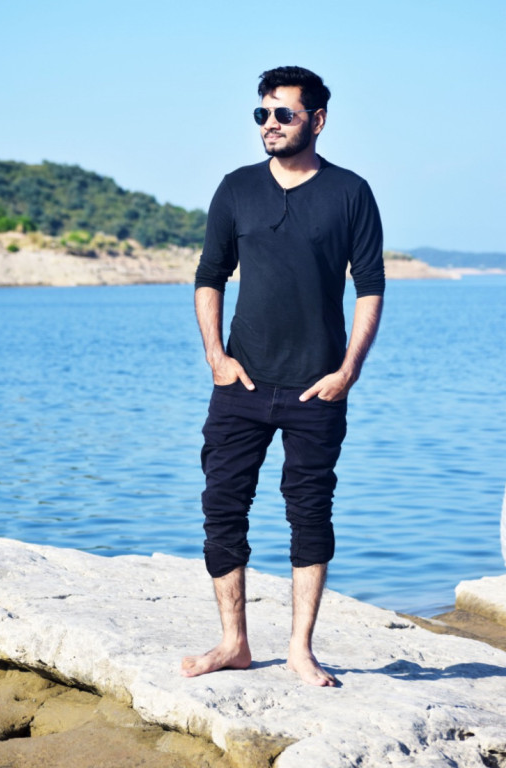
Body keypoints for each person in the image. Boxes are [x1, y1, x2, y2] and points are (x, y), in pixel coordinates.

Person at [181, 66, 385, 687]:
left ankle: (300, 649)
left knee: (310, 512)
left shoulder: (350, 192)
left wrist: (348, 370)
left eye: (283, 114)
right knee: (222, 506)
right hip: (240, 384)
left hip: (316, 387)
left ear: (316, 120)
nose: (269, 124)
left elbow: (370, 286)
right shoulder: (236, 188)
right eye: (262, 114)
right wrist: (216, 357)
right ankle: (233, 643)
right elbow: (209, 275)